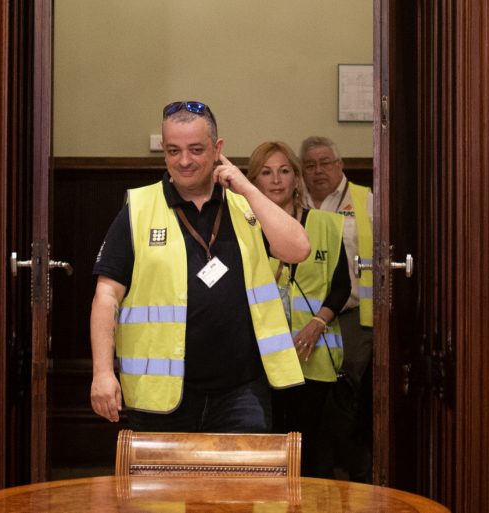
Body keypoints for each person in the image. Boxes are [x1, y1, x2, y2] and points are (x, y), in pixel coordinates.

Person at [89, 101, 310, 434]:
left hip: (241, 392)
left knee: (243, 487)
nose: (185, 161)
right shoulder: (139, 208)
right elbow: (106, 295)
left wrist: (247, 187)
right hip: (162, 396)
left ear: (218, 149)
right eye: (173, 150)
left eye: (196, 149)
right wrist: (102, 373)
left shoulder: (245, 205)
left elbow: (298, 249)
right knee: (164, 488)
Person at [247, 141, 350, 476]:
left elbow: (340, 287)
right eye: (266, 172)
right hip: (260, 357)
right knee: (268, 443)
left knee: (310, 444)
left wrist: (318, 324)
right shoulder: (243, 229)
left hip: (314, 356)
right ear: (255, 181)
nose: (276, 180)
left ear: (296, 178)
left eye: (284, 170)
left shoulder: (324, 225)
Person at [299, 135, 374, 482]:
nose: (318, 171)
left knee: (349, 400)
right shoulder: (293, 200)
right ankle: (319, 478)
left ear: (340, 165)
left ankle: (360, 477)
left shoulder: (365, 200)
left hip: (353, 317)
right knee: (314, 402)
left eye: (325, 162)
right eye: (310, 164)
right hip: (303, 318)